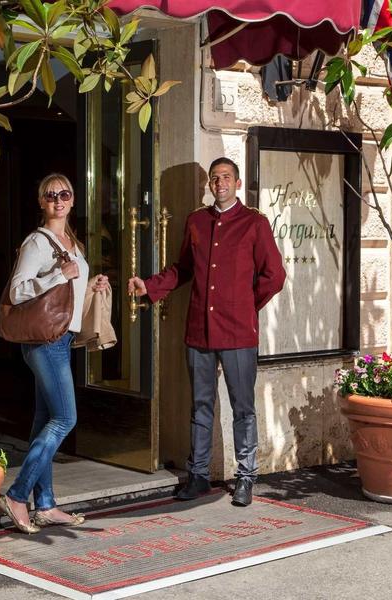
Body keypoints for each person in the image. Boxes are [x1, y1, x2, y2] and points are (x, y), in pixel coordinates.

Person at [127, 157, 285, 507]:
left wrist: (244, 308)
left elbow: (274, 276)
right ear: (209, 185)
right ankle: (198, 475)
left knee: (242, 407)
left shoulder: (254, 224)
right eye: (215, 178)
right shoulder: (197, 222)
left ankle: (246, 476)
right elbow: (182, 269)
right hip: (199, 330)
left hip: (238, 334)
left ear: (237, 183)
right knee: (200, 406)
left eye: (226, 177)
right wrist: (148, 286)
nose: (220, 183)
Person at [0, 173, 109, 533]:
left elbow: (70, 287)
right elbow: (17, 291)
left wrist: (89, 284)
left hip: (60, 339)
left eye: (64, 194)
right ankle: (17, 494)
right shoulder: (37, 242)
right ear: (41, 201)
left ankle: (44, 505)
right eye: (50, 195)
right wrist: (59, 276)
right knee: (65, 419)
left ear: (73, 199)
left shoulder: (70, 241)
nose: (58, 200)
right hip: (44, 343)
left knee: (44, 421)